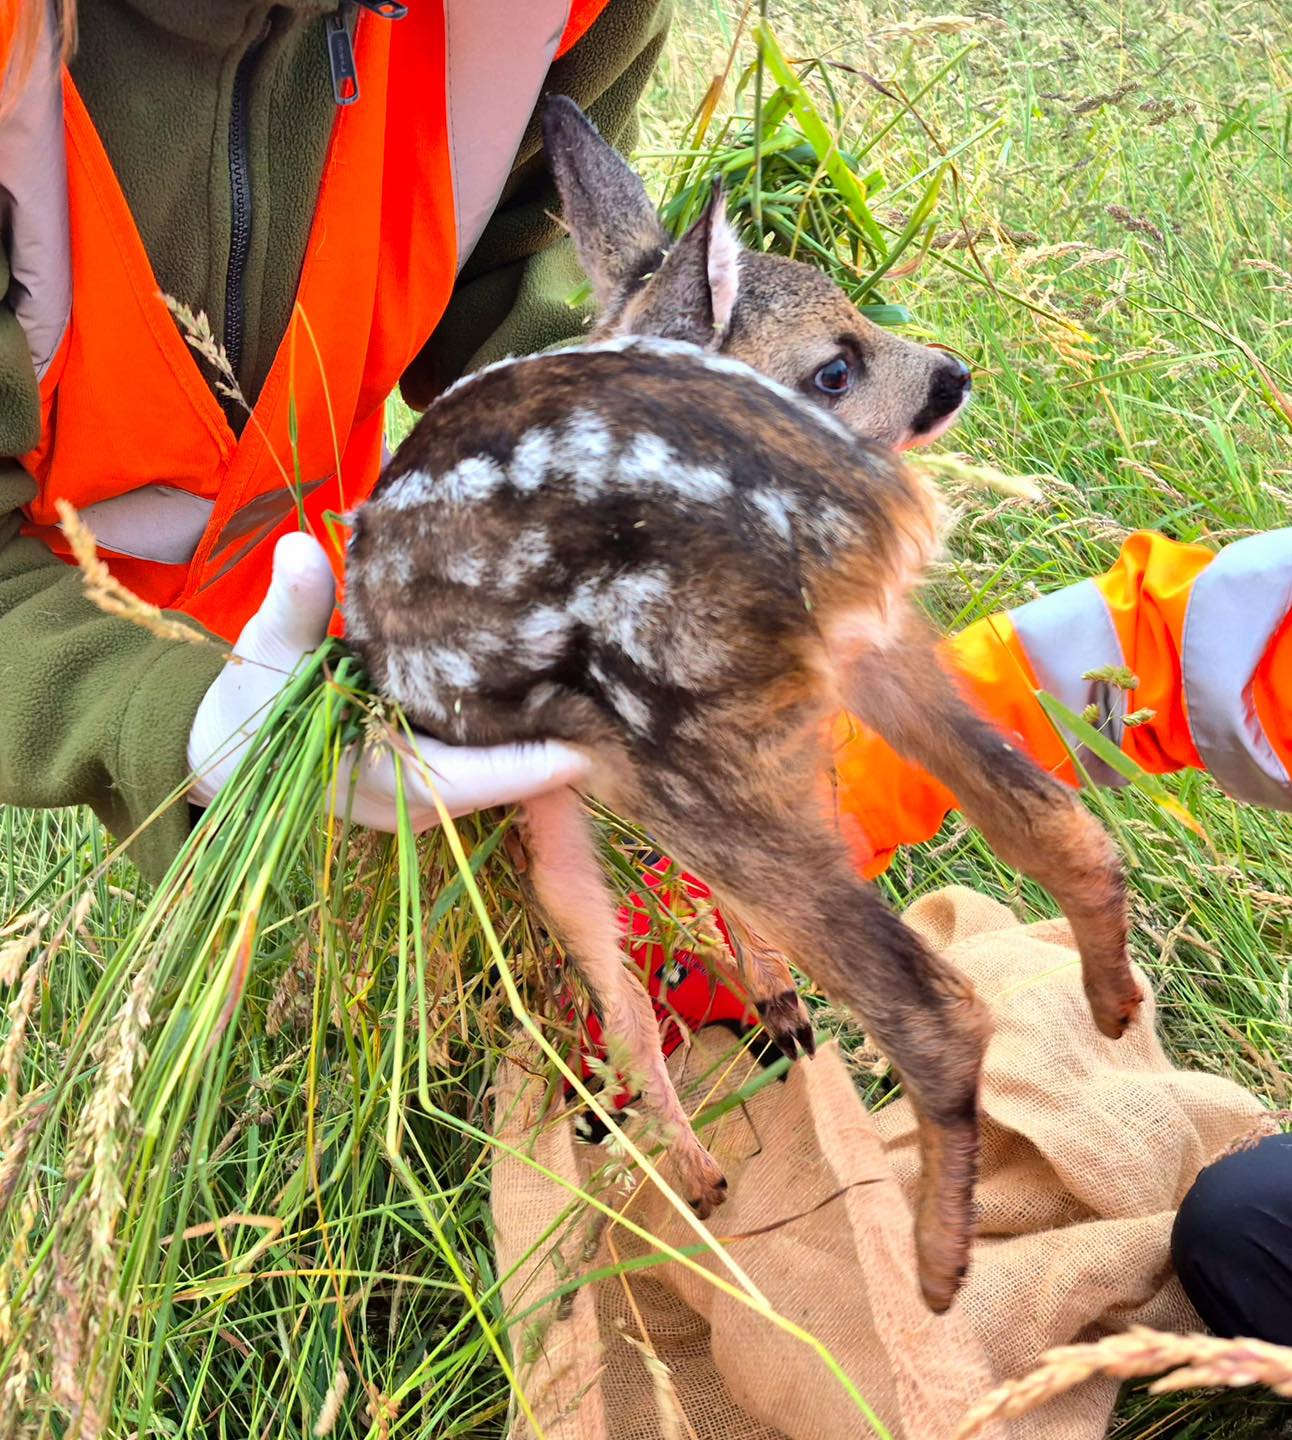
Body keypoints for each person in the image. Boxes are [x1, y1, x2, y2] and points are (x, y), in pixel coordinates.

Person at [1, 0, 1289, 1347]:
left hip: (464, 577)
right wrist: (178, 723)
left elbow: (531, 289)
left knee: (658, 807)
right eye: (833, 375)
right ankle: (638, 1091)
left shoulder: (544, 15)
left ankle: (703, 1019)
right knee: (517, 888)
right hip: (177, 648)